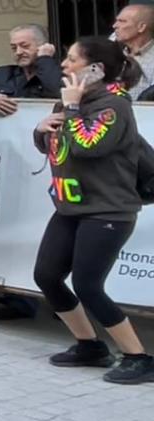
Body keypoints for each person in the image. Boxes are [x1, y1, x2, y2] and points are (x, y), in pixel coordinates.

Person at [31, 36, 153, 384]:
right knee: (47, 276)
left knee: (88, 285)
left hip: (108, 211)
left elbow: (88, 145)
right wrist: (41, 130)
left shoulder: (115, 106)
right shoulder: (69, 101)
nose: (64, 66)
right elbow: (55, 145)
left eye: (71, 60)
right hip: (70, 206)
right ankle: (89, 345)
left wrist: (70, 110)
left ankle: (139, 357)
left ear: (96, 69)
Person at [0, 23, 63, 116]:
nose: (18, 52)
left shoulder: (57, 73)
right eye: (14, 48)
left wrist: (45, 59)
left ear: (42, 46)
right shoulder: (3, 74)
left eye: (25, 46)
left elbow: (57, 92)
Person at [111, 0, 154, 99]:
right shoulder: (112, 52)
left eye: (122, 21)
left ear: (141, 27)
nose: (115, 26)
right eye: (117, 21)